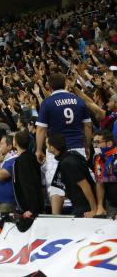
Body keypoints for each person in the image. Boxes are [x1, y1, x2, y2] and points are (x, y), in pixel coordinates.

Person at [35, 73, 92, 213]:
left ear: (49, 86)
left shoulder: (47, 102)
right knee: (82, 181)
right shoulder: (78, 100)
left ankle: (56, 217)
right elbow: (88, 126)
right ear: (65, 83)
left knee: (56, 185)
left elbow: (41, 129)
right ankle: (89, 212)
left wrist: (38, 149)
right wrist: (87, 146)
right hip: (77, 147)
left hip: (56, 149)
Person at [48, 133, 98, 217]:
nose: (47, 148)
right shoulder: (72, 155)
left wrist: (94, 210)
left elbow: (85, 186)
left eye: (47, 145)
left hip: (84, 207)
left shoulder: (67, 162)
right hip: (80, 204)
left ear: (52, 148)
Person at [12, 130, 44, 217]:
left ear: (15, 142)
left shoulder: (22, 161)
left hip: (30, 209)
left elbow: (28, 185)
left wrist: (32, 209)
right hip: (34, 205)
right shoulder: (32, 157)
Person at [92, 130, 117, 216]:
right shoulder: (97, 158)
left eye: (98, 142)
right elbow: (100, 182)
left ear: (109, 143)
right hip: (111, 204)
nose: (95, 146)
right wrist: (100, 205)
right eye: (94, 143)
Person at [0, 134, 16, 213]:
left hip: (6, 201)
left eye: (1, 143)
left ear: (9, 146)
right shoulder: (1, 159)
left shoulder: (14, 159)